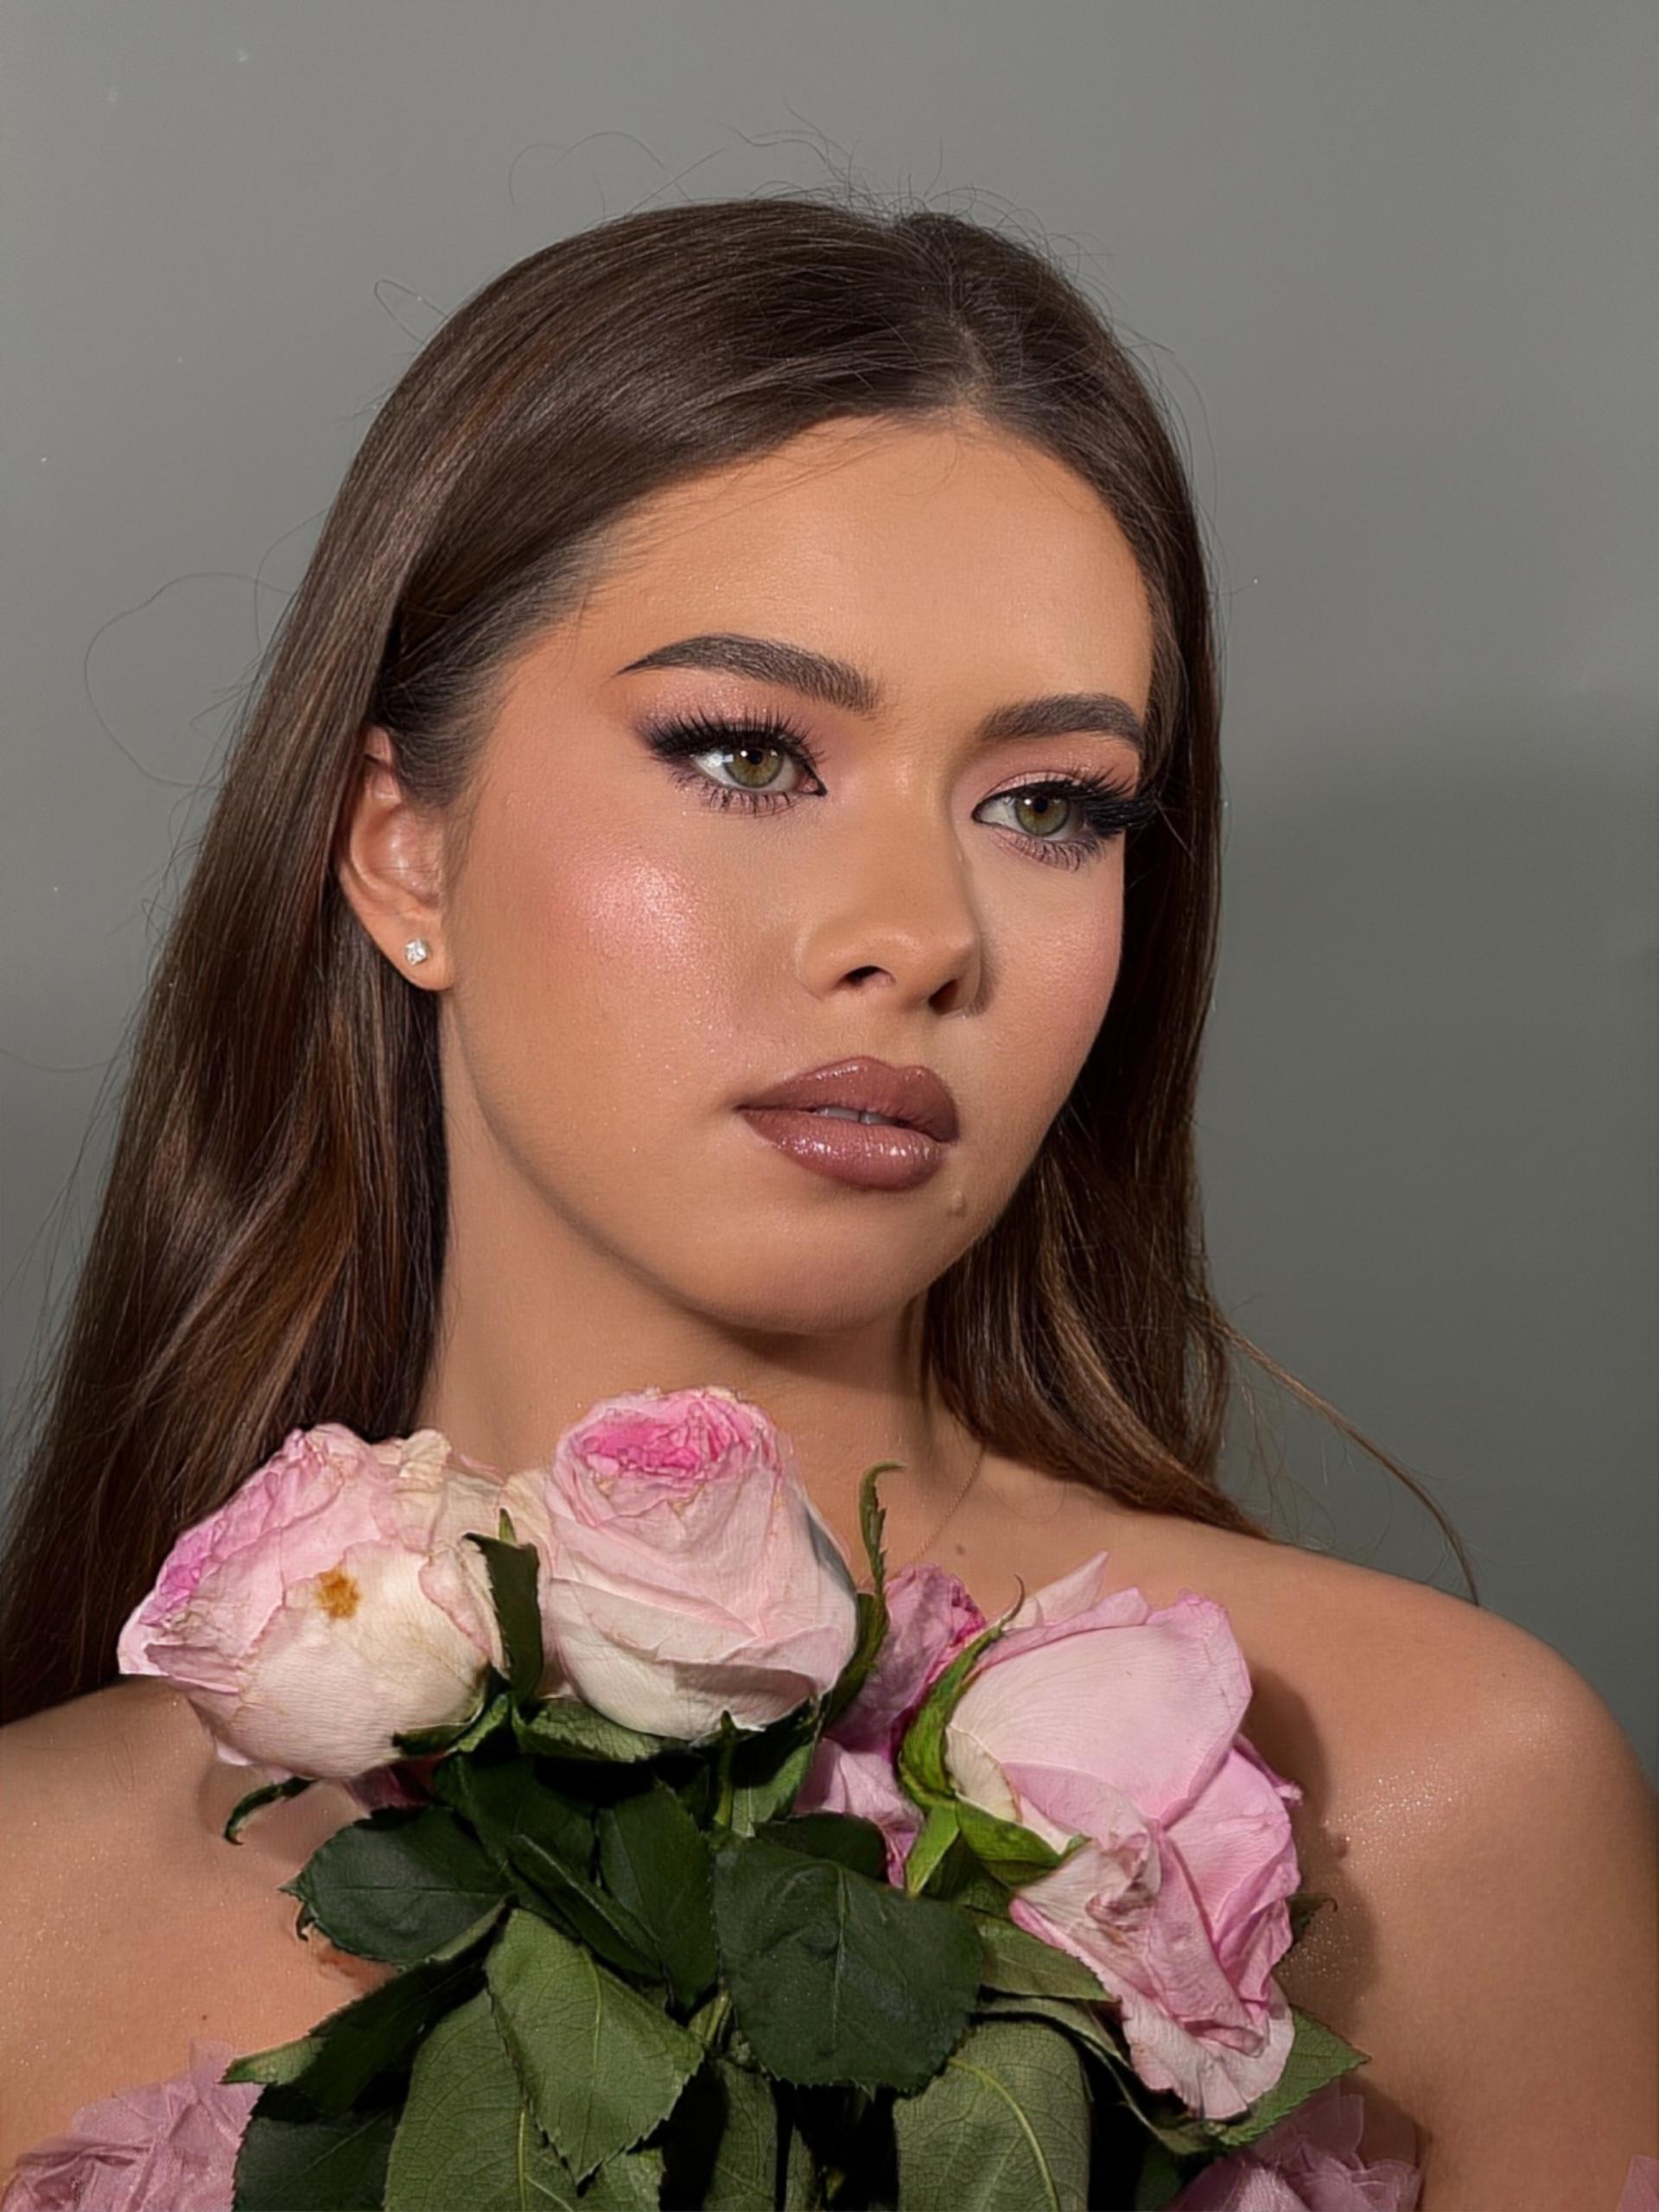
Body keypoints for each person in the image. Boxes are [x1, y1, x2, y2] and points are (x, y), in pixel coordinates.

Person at [0, 188, 1652, 2208]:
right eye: (745, 753)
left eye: (1047, 803)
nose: (918, 931)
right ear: (403, 848)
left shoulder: (1447, 1802)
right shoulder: (23, 1901)